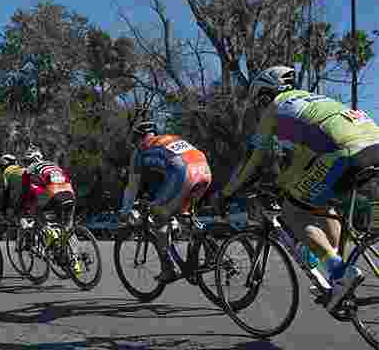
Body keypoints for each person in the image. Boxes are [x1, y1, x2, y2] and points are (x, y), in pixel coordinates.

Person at [219, 65, 379, 312]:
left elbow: (253, 159)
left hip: (345, 150)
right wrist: (284, 184)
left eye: (258, 101)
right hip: (372, 143)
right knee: (319, 203)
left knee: (293, 212)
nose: (259, 108)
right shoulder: (313, 102)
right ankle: (336, 273)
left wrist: (228, 192)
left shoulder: (275, 108)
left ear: (264, 95)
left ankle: (340, 272)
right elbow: (304, 161)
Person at [118, 121, 212, 283]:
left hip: (183, 173)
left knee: (157, 217)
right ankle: (209, 247)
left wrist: (125, 211)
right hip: (203, 169)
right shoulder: (170, 139)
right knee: (184, 214)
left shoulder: (140, 150)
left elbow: (132, 186)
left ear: (138, 138)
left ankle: (168, 269)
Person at [0, 154, 27, 227]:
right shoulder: (21, 168)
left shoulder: (7, 171)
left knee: (18, 213)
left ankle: (26, 229)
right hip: (34, 187)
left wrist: (4, 207)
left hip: (22, 193)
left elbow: (6, 190)